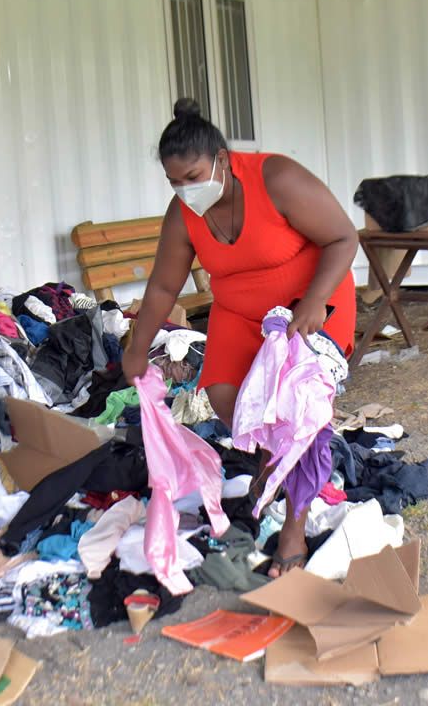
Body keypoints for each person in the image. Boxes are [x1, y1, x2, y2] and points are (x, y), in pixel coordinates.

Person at [121, 98, 358, 578]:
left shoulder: (277, 179)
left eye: (193, 176)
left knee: (295, 406)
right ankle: (276, 464)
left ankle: (293, 528)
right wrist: (136, 347)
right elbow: (165, 285)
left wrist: (313, 302)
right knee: (226, 395)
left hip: (308, 303)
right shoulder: (184, 214)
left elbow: (342, 237)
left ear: (222, 161)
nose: (186, 190)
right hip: (239, 309)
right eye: (175, 182)